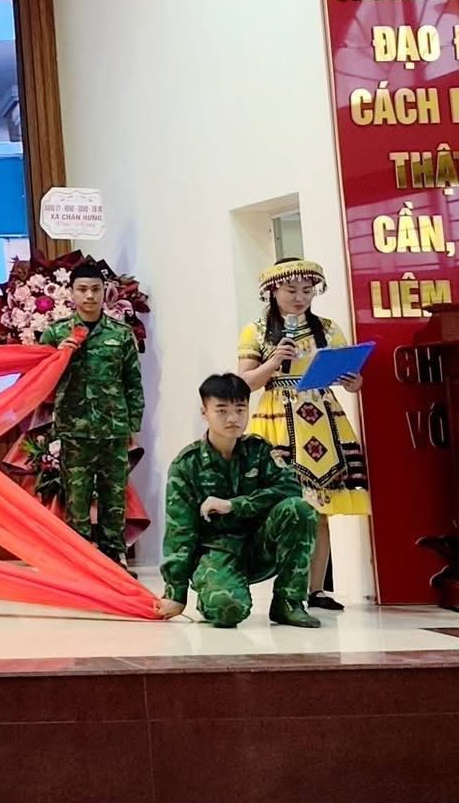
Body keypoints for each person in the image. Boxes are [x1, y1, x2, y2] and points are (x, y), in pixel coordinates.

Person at [237, 257, 370, 611]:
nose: (299, 298)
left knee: (320, 508)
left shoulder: (328, 328)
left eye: (306, 291)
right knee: (284, 505)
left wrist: (353, 381)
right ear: (272, 291)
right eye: (291, 290)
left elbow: (352, 380)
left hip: (322, 420)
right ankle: (284, 586)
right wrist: (272, 362)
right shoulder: (256, 331)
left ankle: (316, 589)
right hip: (277, 419)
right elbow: (245, 382)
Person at [157, 374, 320, 629]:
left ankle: (288, 602)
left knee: (300, 509)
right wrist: (175, 594)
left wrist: (234, 505)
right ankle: (211, 592)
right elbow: (180, 532)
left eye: (240, 409)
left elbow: (290, 489)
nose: (232, 418)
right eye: (221, 410)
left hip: (259, 546)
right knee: (227, 611)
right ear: (204, 412)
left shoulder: (259, 450)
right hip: (217, 552)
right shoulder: (187, 465)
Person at [36, 258, 144, 562]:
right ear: (71, 292)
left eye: (95, 289)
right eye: (82, 289)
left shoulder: (121, 334)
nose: (89, 296)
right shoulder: (56, 334)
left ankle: (114, 562)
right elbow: (39, 383)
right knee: (77, 502)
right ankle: (82, 565)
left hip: (113, 431)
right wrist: (58, 358)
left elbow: (132, 382)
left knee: (114, 500)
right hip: (75, 431)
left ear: (104, 291)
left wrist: (132, 425)